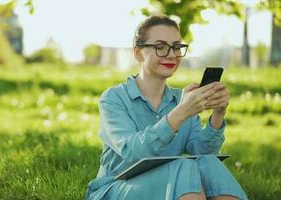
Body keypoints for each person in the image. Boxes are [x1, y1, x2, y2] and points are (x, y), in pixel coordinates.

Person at [85, 15, 247, 200]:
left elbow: (203, 155)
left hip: (170, 185)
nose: (171, 54)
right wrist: (180, 113)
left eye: (176, 47)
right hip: (116, 188)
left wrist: (218, 114)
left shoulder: (181, 98)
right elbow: (133, 152)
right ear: (138, 52)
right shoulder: (114, 98)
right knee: (183, 167)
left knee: (210, 164)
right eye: (160, 47)